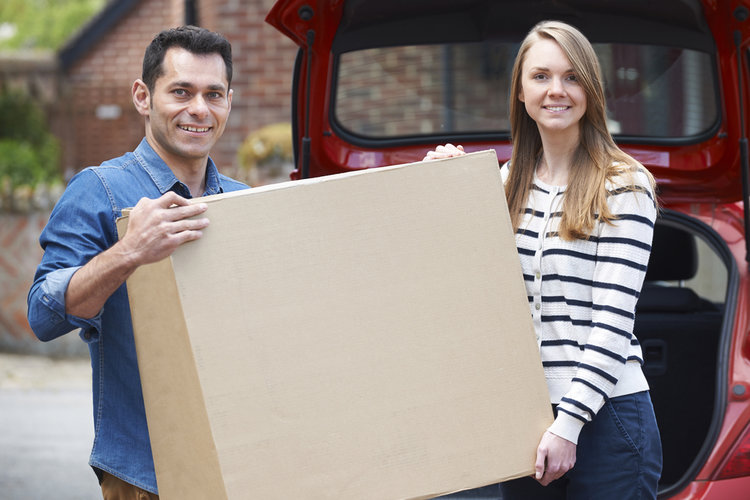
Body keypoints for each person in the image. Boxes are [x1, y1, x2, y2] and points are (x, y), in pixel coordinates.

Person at [425, 20, 662, 499]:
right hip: (526, 414)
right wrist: (442, 188)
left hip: (608, 416)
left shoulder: (625, 185)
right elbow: (463, 290)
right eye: (541, 76)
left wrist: (569, 424)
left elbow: (611, 322)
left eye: (572, 77)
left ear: (591, 90)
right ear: (519, 90)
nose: (557, 90)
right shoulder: (505, 182)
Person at [27, 26, 248, 498]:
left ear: (229, 100)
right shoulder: (99, 191)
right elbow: (42, 317)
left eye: (213, 94)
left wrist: (437, 182)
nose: (199, 110)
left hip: (242, 464)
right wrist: (130, 250)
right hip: (147, 474)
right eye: (181, 91)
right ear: (143, 97)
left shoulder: (243, 201)